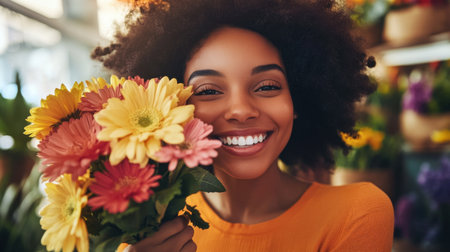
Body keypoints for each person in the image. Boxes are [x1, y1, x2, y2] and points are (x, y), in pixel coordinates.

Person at [93, 0, 394, 251]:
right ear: (172, 109)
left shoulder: (357, 213)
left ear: (298, 100)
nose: (240, 110)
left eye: (266, 86)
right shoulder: (152, 231)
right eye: (208, 91)